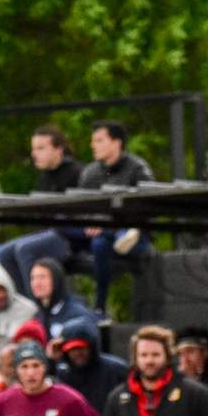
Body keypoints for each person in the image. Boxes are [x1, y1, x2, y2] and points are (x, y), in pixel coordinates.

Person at [0, 125, 87, 297]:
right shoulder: (45, 178)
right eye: (33, 149)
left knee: (24, 249)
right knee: (2, 253)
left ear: (58, 149)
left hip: (70, 237)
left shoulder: (78, 173)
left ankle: (39, 303)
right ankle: (25, 300)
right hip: (47, 233)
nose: (34, 154)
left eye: (40, 148)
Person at [76, 120, 154, 309]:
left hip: (136, 238)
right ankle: (117, 233)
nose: (93, 145)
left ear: (116, 143)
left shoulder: (138, 169)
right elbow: (80, 207)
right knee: (68, 228)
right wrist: (95, 222)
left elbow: (147, 209)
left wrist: (104, 225)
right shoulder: (90, 173)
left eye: (99, 140)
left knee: (103, 243)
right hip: (100, 235)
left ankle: (100, 306)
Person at [52, 314, 128, 414]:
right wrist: (51, 360)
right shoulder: (63, 373)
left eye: (81, 347)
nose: (77, 353)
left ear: (92, 346)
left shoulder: (117, 370)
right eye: (72, 349)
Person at [27, 256, 100, 337]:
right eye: (33, 278)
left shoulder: (76, 313)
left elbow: (91, 334)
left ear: (56, 279)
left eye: (42, 277)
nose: (36, 283)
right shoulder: (37, 316)